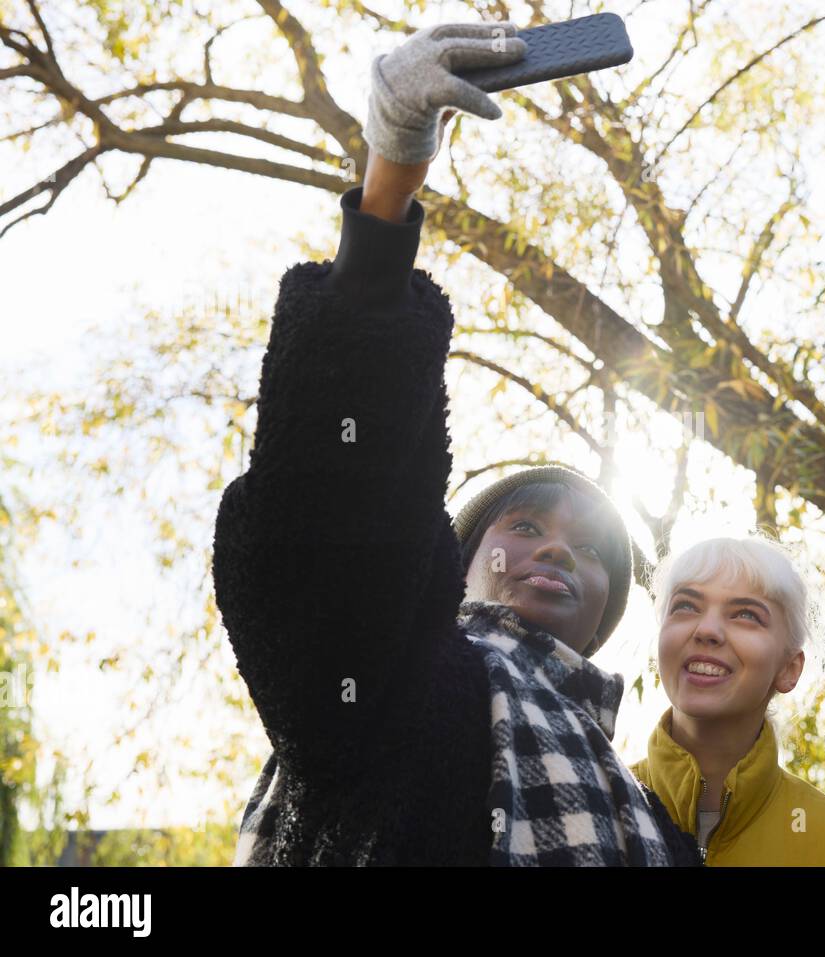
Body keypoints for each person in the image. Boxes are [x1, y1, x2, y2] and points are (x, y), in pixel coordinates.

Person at [213, 20, 697, 866]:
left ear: (609, 606)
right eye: (526, 526)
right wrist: (390, 180)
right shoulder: (403, 682)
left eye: (589, 548)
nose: (555, 549)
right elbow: (333, 516)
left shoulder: (649, 817)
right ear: (460, 561)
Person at [630, 535, 825, 865]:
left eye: (746, 615)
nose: (707, 629)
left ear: (789, 669)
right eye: (685, 606)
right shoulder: (592, 802)